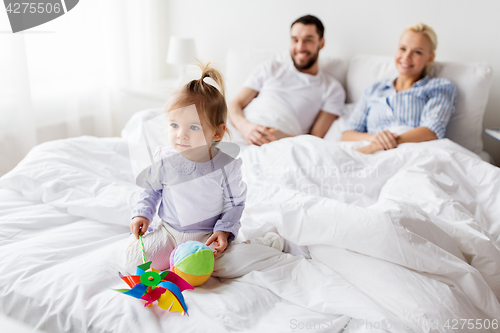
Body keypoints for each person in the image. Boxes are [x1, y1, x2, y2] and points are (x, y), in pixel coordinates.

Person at [123, 63, 284, 274]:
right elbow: (151, 191)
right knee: (133, 263)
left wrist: (224, 231)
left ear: (217, 133)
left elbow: (235, 203)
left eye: (193, 127)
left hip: (207, 236)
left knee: (229, 267)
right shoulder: (164, 159)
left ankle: (262, 244)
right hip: (170, 233)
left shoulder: (226, 166)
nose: (181, 134)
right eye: (174, 125)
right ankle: (177, 259)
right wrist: (142, 214)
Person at [228, 15, 345, 146]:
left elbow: (315, 140)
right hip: (242, 129)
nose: (300, 47)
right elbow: (234, 104)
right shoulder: (271, 68)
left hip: (283, 144)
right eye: (295, 40)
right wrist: (245, 127)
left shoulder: (332, 88)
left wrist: (283, 138)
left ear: (321, 43)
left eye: (308, 40)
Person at [341, 23, 457, 154]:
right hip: (368, 150)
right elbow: (347, 134)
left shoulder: (439, 87)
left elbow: (432, 130)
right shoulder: (375, 89)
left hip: (411, 152)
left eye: (417, 52)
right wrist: (374, 138)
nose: (406, 57)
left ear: (430, 58)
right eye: (403, 49)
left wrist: (378, 146)